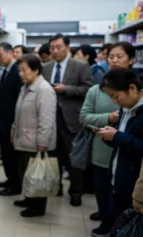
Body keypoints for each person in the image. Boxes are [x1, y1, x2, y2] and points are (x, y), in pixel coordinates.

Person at [79, 45, 128, 235]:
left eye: (119, 56)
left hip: (128, 155)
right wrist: (109, 118)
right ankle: (106, 221)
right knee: (101, 188)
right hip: (101, 149)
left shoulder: (136, 91)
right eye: (111, 57)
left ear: (131, 59)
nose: (114, 60)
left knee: (122, 193)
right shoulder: (96, 91)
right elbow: (84, 117)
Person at [42, 34, 93, 207]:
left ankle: (76, 192)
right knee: (53, 155)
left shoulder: (80, 67)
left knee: (74, 158)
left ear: (67, 48)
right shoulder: (45, 67)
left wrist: (67, 89)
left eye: (58, 47)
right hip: (50, 117)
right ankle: (56, 187)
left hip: (71, 118)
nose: (55, 51)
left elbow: (88, 89)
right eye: (52, 48)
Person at [11, 54, 57, 217]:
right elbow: (19, 114)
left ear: (36, 70)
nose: (21, 74)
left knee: (37, 174)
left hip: (36, 142)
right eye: (19, 71)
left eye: (24, 70)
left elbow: (47, 119)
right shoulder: (25, 88)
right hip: (24, 139)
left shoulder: (44, 90)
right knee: (26, 173)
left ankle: (37, 207)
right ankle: (28, 199)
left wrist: (43, 143)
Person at [96, 68, 143, 227]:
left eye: (116, 96)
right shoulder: (125, 107)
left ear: (132, 88)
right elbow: (123, 140)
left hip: (135, 185)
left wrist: (117, 136)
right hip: (119, 177)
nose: (115, 102)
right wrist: (109, 136)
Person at [0, 43, 23, 196]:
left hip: (10, 122)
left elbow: (17, 99)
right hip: (3, 120)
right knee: (5, 153)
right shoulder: (6, 71)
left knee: (11, 155)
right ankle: (10, 179)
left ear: (10, 53)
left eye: (0, 55)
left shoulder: (17, 71)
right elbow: (5, 94)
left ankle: (15, 185)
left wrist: (14, 125)